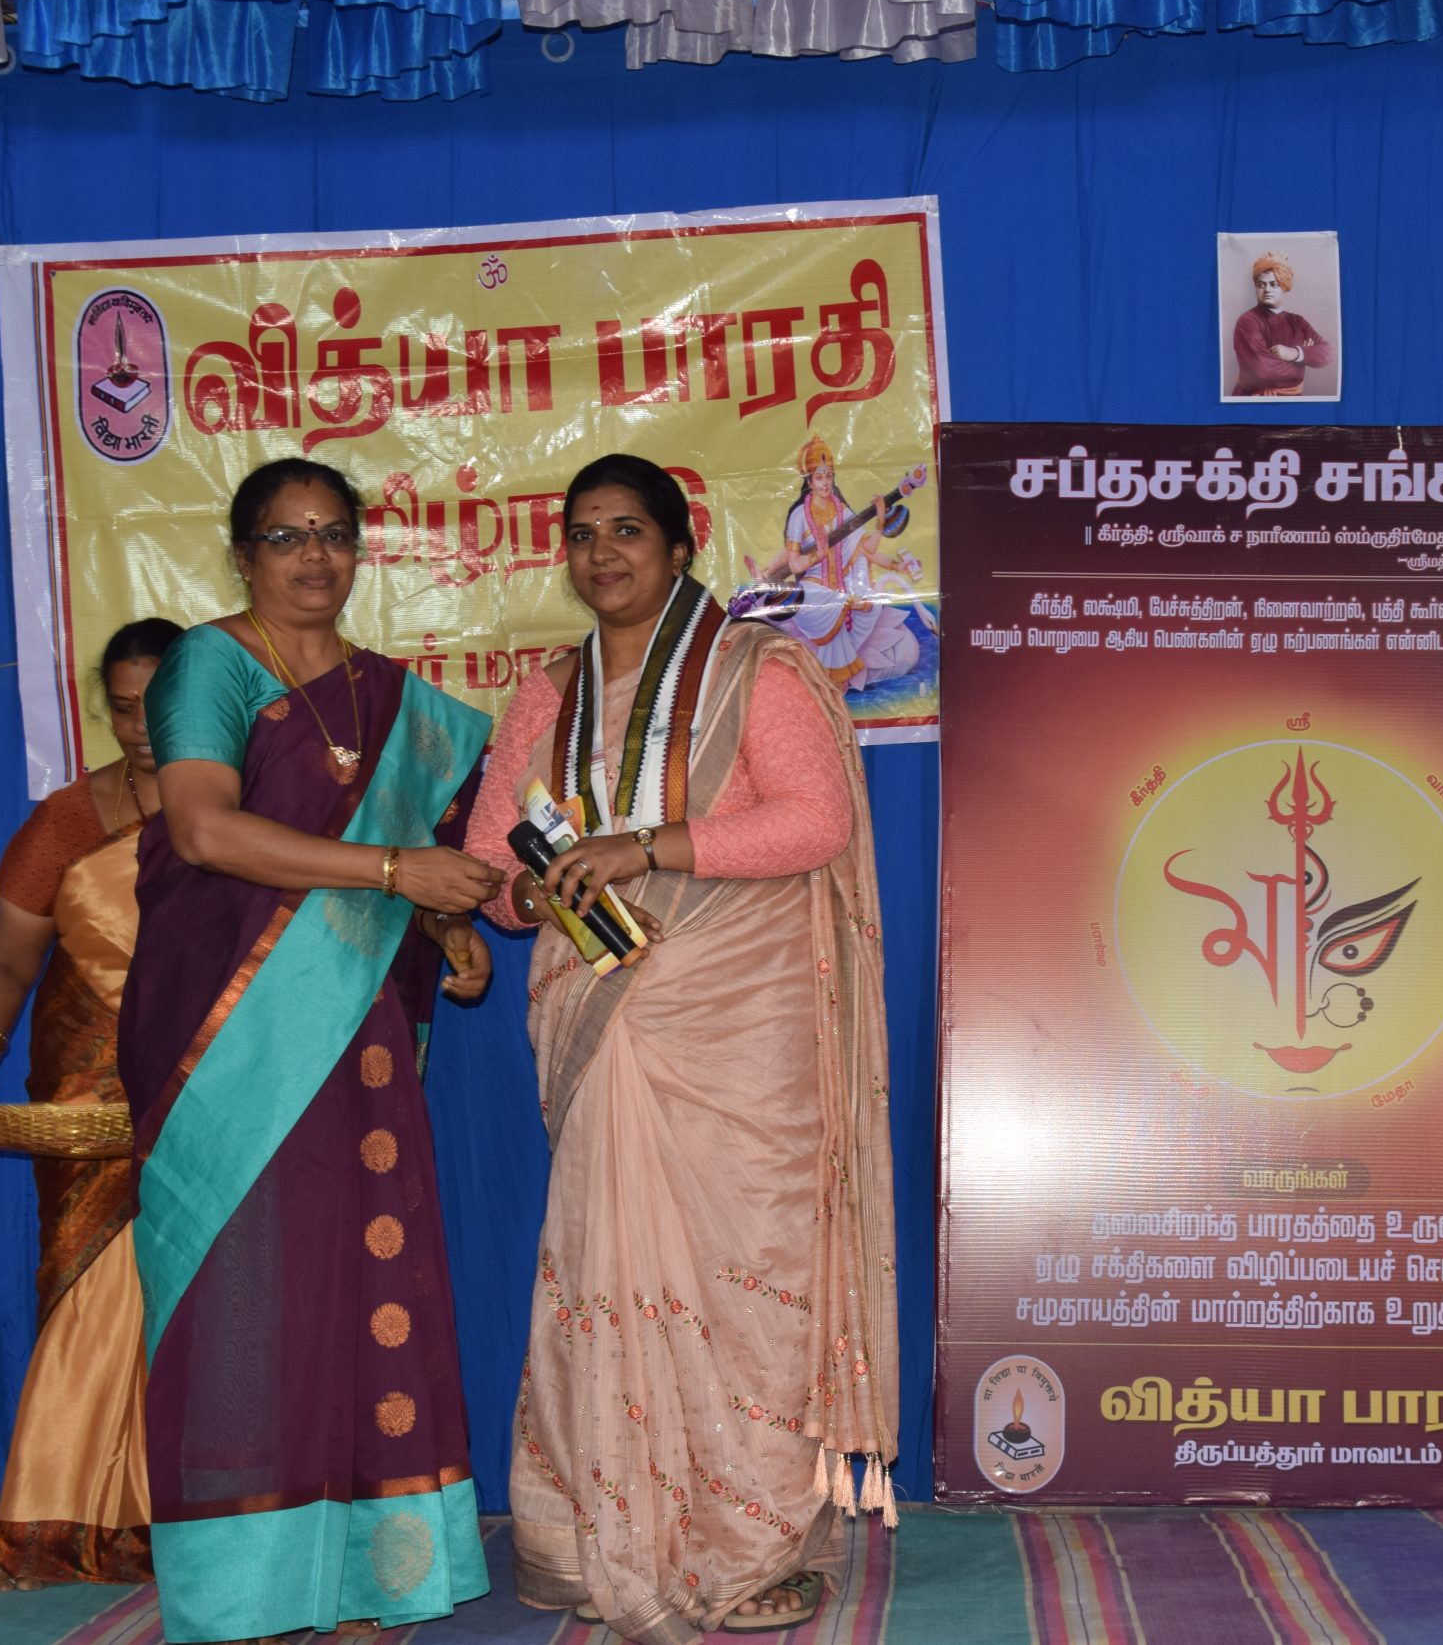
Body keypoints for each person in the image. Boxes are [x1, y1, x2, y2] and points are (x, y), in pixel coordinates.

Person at [463, 453, 899, 1643]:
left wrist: (645, 847)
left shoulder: (757, 670)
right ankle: (595, 1535)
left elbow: (815, 821)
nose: (601, 553)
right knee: (604, 1264)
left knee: (748, 1273)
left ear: (677, 545)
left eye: (626, 530)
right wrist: (523, 893)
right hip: (605, 1014)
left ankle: (748, 1549)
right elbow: (497, 864)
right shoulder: (547, 696)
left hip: (743, 1020)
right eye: (581, 533)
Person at [116, 457, 506, 1645]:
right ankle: (248, 1591)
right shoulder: (210, 667)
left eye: (334, 533)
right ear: (242, 556)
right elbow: (202, 829)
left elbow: (413, 864)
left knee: (363, 1276)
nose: (314, 556)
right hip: (225, 1036)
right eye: (286, 536)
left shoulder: (393, 699)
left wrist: (445, 928)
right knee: (244, 1290)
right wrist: (397, 872)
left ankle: (365, 1581)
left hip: (356, 1032)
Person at [0, 616, 184, 1590]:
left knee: (214, 1297)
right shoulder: (68, 823)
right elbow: (6, 960)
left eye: (161, 706)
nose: (142, 727)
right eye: (122, 708)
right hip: (87, 1096)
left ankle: (208, 1511)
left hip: (221, 1092)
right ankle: (75, 1515)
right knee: (91, 1296)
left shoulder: (252, 812)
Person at [742, 434, 928, 694]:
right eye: (819, 477)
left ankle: (834, 673)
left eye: (829, 476)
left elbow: (867, 550)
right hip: (813, 591)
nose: (825, 482)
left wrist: (883, 528)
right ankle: (835, 676)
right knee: (829, 600)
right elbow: (794, 564)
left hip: (841, 588)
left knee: (868, 604)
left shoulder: (842, 511)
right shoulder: (800, 515)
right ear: (809, 482)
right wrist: (816, 556)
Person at [1229, 251, 1333, 396]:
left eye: (1274, 284)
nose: (1267, 290)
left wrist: (1294, 353)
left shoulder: (1298, 322)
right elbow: (1262, 370)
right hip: (1253, 398)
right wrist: (1303, 362)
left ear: (1284, 286)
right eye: (1261, 285)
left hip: (1292, 400)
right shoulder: (1248, 321)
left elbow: (1328, 353)